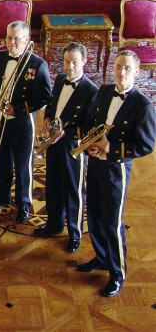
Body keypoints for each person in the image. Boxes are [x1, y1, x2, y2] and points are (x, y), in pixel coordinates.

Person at [76, 50, 155, 297]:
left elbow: (146, 145)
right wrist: (89, 142)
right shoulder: (104, 91)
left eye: (127, 68)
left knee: (112, 223)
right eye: (118, 66)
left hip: (116, 168)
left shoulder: (143, 105)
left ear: (137, 71)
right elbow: (91, 120)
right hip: (95, 163)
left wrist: (109, 147)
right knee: (95, 216)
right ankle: (101, 257)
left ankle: (117, 274)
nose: (122, 72)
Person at [0, 21, 51, 223]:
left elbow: (44, 96)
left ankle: (24, 204)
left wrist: (18, 109)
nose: (11, 42)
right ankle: (2, 196)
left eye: (16, 39)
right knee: (1, 160)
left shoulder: (37, 64)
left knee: (22, 166)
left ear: (27, 40)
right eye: (9, 38)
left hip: (22, 122)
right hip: (0, 119)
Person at [33, 43, 98, 253]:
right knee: (53, 184)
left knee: (73, 191)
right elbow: (52, 104)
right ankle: (54, 223)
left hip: (72, 148)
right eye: (66, 61)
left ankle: (75, 233)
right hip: (53, 143)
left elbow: (90, 127)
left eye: (74, 62)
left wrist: (65, 134)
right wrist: (48, 116)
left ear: (84, 62)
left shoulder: (91, 91)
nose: (70, 66)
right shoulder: (60, 79)